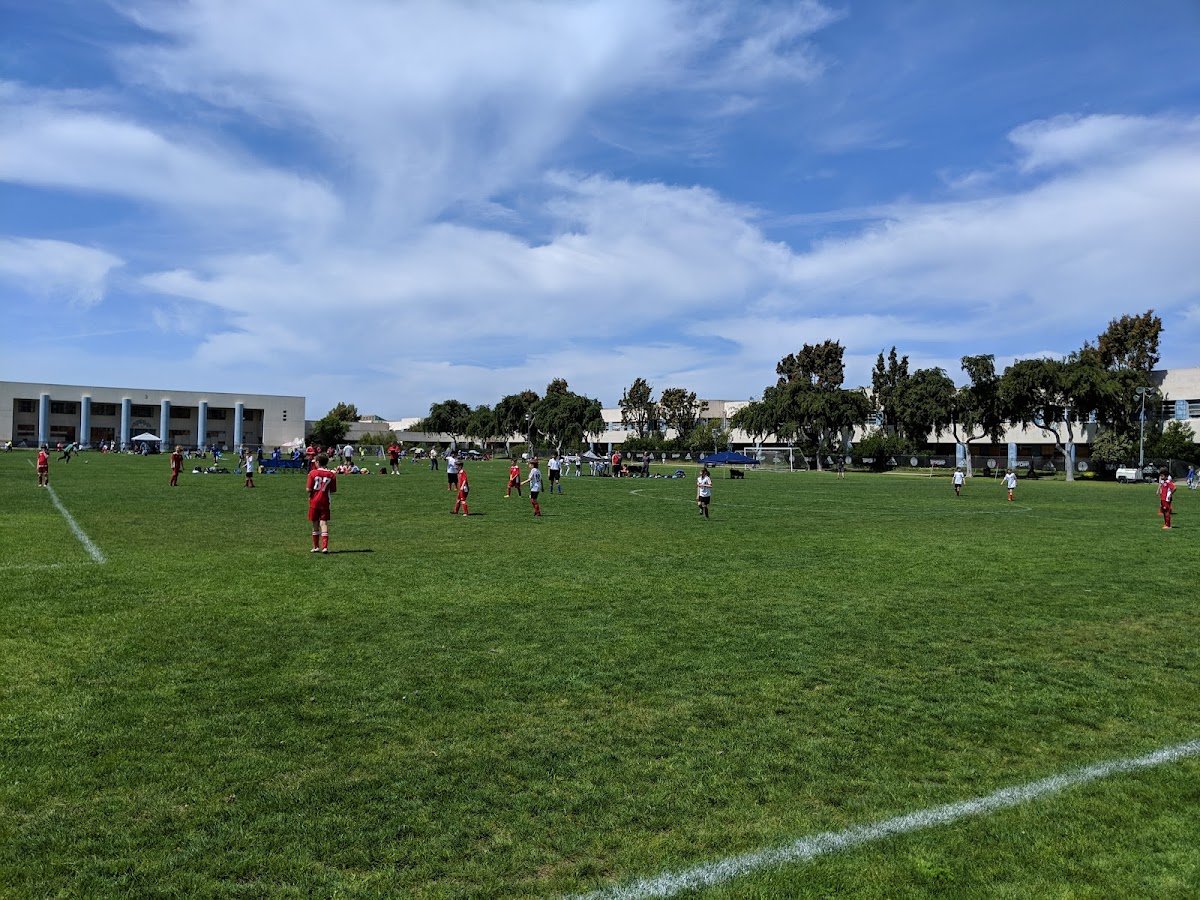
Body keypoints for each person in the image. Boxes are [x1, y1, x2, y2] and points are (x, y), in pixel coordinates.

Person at [306, 453, 337, 553]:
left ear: (318, 462)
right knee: (323, 523)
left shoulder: (312, 473)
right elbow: (333, 490)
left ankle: (316, 546)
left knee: (315, 523)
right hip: (325, 501)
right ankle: (325, 547)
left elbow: (308, 489)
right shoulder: (331, 474)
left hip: (314, 501)